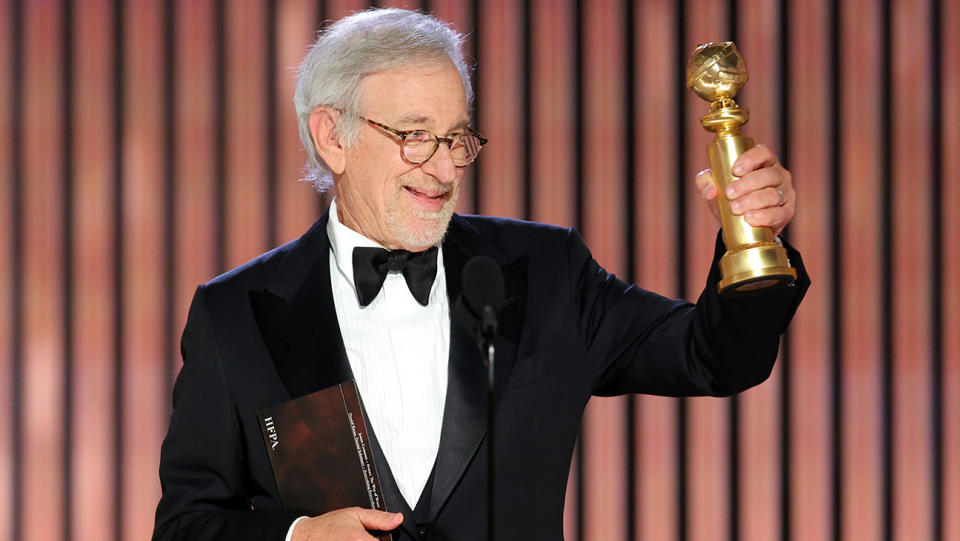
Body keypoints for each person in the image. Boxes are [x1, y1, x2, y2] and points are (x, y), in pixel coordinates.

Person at [152, 8, 808, 541]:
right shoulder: (234, 314)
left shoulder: (547, 273)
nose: (443, 170)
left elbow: (713, 357)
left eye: (457, 138)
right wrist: (295, 537)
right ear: (333, 136)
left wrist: (752, 243)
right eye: (414, 135)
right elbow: (185, 525)